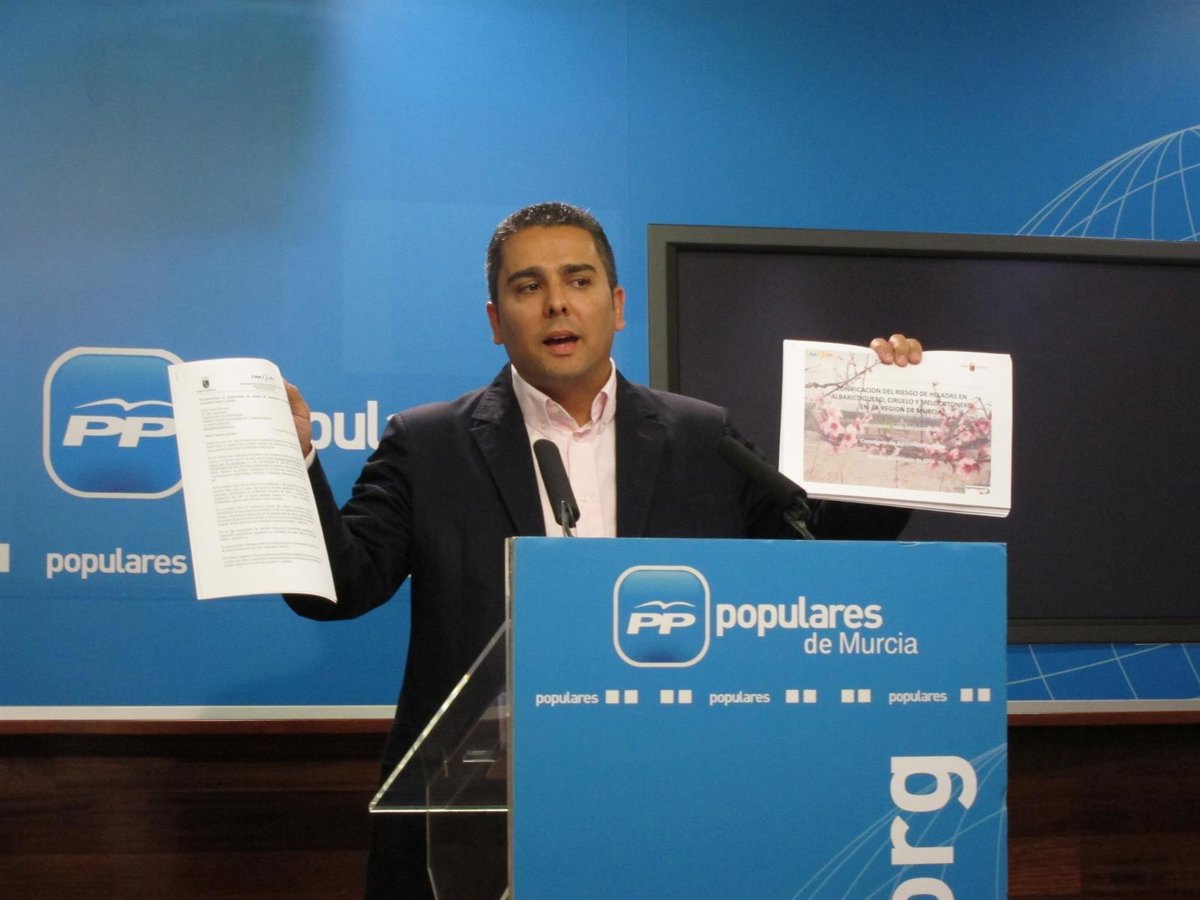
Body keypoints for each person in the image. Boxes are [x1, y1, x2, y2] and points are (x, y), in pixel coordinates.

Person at [283, 201, 922, 898]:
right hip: (481, 822)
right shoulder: (429, 444)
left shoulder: (703, 439)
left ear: (616, 306)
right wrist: (290, 460)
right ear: (495, 320)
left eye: (579, 280)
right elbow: (339, 588)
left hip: (669, 808)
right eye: (528, 286)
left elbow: (817, 562)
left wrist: (884, 429)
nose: (557, 303)